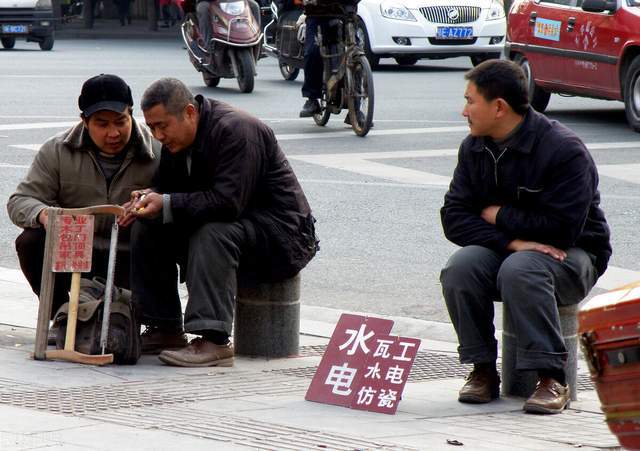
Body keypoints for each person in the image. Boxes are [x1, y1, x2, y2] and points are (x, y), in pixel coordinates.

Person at [439, 60, 611, 414]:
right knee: (461, 267)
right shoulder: (474, 148)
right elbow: (454, 218)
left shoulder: (564, 150)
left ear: (498, 106)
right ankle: (482, 369)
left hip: (575, 255)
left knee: (521, 269)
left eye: (470, 101)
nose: (464, 111)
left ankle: (553, 378)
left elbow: (563, 229)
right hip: (512, 251)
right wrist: (512, 241)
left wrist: (499, 214)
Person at [128, 77, 318, 367]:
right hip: (238, 224)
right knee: (147, 224)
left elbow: (228, 204)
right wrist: (147, 197)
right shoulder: (176, 141)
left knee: (213, 231)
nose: (158, 136)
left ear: (190, 112)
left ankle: (213, 340)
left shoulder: (237, 131)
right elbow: (164, 187)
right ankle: (164, 327)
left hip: (281, 234)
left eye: (162, 126)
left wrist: (166, 202)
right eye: (152, 127)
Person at [6, 74, 159, 329]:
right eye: (102, 124)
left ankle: (157, 323)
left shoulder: (157, 152)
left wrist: (151, 202)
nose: (113, 133)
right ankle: (61, 316)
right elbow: (20, 200)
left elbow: (181, 197)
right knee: (30, 241)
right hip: (74, 252)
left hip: (129, 256)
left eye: (121, 121)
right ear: (85, 121)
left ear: (131, 113)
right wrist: (46, 215)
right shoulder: (56, 150)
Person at [196, 0, 261, 46]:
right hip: (209, 1)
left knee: (254, 6)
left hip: (231, 1)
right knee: (203, 9)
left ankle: (258, 42)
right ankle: (208, 44)